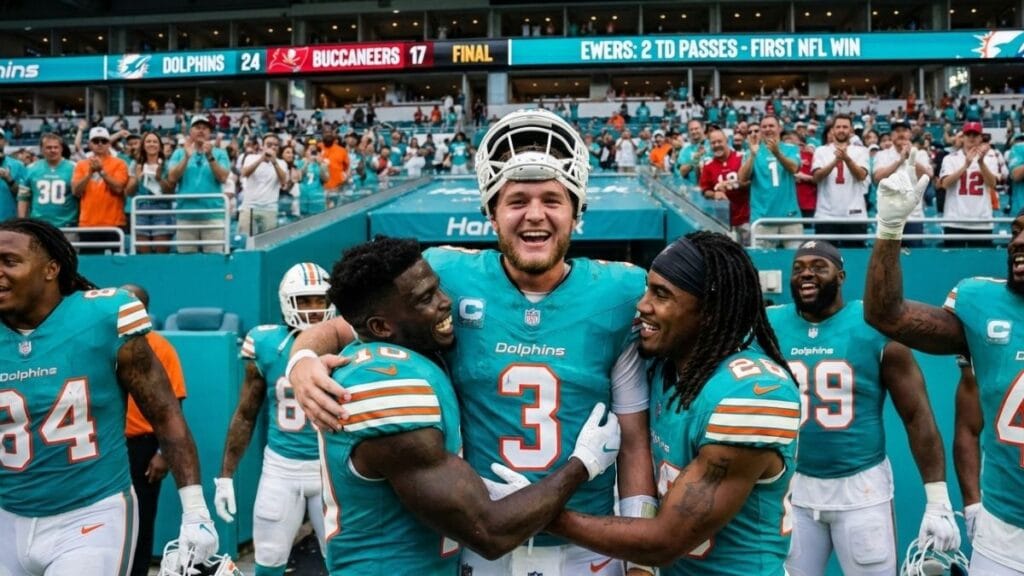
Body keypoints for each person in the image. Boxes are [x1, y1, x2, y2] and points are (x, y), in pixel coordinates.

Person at [287, 109, 657, 576]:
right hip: (479, 547)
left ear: (576, 210)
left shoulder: (622, 290)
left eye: (552, 199)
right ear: (491, 213)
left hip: (589, 546)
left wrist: (640, 559)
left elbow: (633, 439)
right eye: (517, 200)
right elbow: (343, 327)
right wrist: (302, 360)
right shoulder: (446, 275)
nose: (535, 215)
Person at [317, 236, 621, 573]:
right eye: (426, 299)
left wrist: (301, 360)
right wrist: (583, 463)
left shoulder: (401, 356)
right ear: (381, 326)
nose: (446, 302)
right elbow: (490, 532)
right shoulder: (385, 386)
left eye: (439, 289)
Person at [541, 232, 800, 575]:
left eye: (661, 294)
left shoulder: (752, 394)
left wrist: (539, 515)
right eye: (648, 289)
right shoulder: (667, 366)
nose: (643, 305)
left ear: (709, 311)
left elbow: (665, 541)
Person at [0, 218, 217, 575]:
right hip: (8, 514)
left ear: (51, 269)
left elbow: (165, 414)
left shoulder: (103, 317)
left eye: (10, 261)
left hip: (89, 514)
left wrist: (195, 510)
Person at [766, 240, 958, 575]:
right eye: (798, 268)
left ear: (840, 276)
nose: (806, 273)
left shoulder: (873, 326)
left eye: (818, 266)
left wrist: (938, 499)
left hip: (861, 487)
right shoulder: (769, 325)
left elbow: (916, 416)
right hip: (793, 486)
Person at [864, 171, 1023, 575]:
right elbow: (886, 315)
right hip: (1005, 527)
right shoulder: (982, 302)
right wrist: (890, 228)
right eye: (1016, 231)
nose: (1018, 241)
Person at [214, 263, 338, 576]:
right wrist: (225, 475)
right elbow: (246, 413)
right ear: (287, 302)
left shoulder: (346, 342)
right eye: (304, 300)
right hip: (281, 467)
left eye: (320, 300)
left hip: (332, 467)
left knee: (341, 561)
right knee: (268, 559)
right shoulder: (266, 342)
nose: (314, 309)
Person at [118, 283, 187, 576]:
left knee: (141, 520)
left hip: (144, 447)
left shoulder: (161, 348)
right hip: (107, 444)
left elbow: (174, 407)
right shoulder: (102, 343)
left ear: (144, 311)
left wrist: (163, 452)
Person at [166, 116, 231, 253]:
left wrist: (210, 156)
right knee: (186, 260)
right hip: (186, 215)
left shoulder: (220, 153)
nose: (201, 131)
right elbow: (171, 178)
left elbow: (223, 177)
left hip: (213, 215)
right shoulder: (179, 153)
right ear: (191, 131)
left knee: (214, 260)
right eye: (197, 127)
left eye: (205, 128)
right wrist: (186, 157)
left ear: (210, 133)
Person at [739, 115, 802, 248]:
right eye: (764, 127)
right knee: (763, 259)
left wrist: (777, 153)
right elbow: (742, 179)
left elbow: (794, 168)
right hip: (762, 218)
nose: (768, 129)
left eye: (771, 126)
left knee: (795, 257)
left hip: (790, 217)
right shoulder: (752, 151)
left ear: (779, 128)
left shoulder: (790, 148)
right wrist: (753, 155)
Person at [937, 121, 999, 247]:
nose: (971, 138)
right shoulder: (950, 158)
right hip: (954, 220)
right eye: (968, 134)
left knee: (981, 257)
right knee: (953, 257)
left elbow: (993, 184)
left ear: (981, 138)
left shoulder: (990, 158)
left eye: (975, 135)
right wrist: (966, 165)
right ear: (963, 137)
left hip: (981, 221)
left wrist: (981, 163)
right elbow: (945, 184)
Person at [812, 115, 870, 246]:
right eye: (838, 127)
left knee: (855, 255)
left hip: (855, 215)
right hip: (826, 215)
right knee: (825, 256)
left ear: (851, 130)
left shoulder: (862, 151)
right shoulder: (821, 151)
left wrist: (847, 159)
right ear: (832, 130)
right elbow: (816, 178)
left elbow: (861, 175)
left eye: (845, 127)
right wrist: (835, 161)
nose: (841, 130)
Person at [872, 120, 932, 246]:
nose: (901, 134)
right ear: (891, 135)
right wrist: (899, 161)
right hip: (888, 217)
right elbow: (877, 178)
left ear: (910, 134)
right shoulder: (882, 154)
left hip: (913, 216)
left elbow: (928, 176)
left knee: (914, 256)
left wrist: (911, 158)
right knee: (886, 256)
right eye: (897, 131)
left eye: (904, 130)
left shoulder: (920, 153)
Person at [72, 127, 129, 253]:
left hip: (114, 223)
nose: (100, 144)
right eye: (96, 141)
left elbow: (119, 188)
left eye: (103, 141)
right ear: (90, 144)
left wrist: (101, 171)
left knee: (116, 262)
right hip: (88, 223)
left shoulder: (119, 163)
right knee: (91, 262)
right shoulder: (81, 165)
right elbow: (76, 192)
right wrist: (89, 174)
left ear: (109, 143)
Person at [699, 128, 750, 245]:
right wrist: (715, 194)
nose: (716, 145)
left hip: (745, 217)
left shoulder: (741, 158)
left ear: (727, 141)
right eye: (713, 143)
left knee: (747, 251)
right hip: (722, 220)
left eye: (719, 141)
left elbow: (751, 182)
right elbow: (705, 190)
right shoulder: (708, 165)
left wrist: (735, 184)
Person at [17, 133, 79, 228]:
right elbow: (23, 198)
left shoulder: (74, 168)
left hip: (67, 224)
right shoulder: (31, 169)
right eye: (48, 147)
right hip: (39, 225)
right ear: (42, 149)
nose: (52, 150)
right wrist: (21, 222)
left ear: (61, 149)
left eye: (56, 147)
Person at [125, 132, 173, 254]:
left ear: (160, 146)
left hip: (162, 209)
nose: (152, 144)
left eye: (155, 141)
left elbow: (170, 192)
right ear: (143, 145)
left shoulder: (167, 165)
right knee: (143, 253)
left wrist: (159, 179)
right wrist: (137, 178)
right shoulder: (135, 164)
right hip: (141, 210)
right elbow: (129, 192)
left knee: (161, 252)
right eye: (148, 141)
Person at [238, 134, 288, 237]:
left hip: (270, 209)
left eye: (276, 145)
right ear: (262, 146)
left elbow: (283, 181)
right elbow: (244, 173)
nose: (273, 147)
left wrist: (274, 163)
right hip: (249, 207)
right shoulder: (251, 158)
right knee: (245, 240)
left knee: (268, 241)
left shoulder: (282, 163)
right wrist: (261, 159)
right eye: (269, 144)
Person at [0, 127, 28, 221]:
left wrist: (9, 180)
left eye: (0, 138)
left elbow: (24, 196)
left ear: (4, 141)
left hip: (9, 223)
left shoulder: (18, 166)